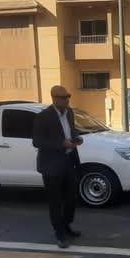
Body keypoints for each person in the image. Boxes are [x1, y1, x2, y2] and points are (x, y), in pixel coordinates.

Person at [32, 85, 82, 249]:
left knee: (71, 197)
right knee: (55, 201)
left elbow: (71, 131)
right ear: (54, 98)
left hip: (69, 161)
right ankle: (59, 232)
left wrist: (76, 138)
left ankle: (66, 225)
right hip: (51, 165)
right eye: (63, 98)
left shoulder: (70, 113)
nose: (67, 100)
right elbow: (37, 141)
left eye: (68, 97)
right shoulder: (43, 117)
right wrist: (61, 144)